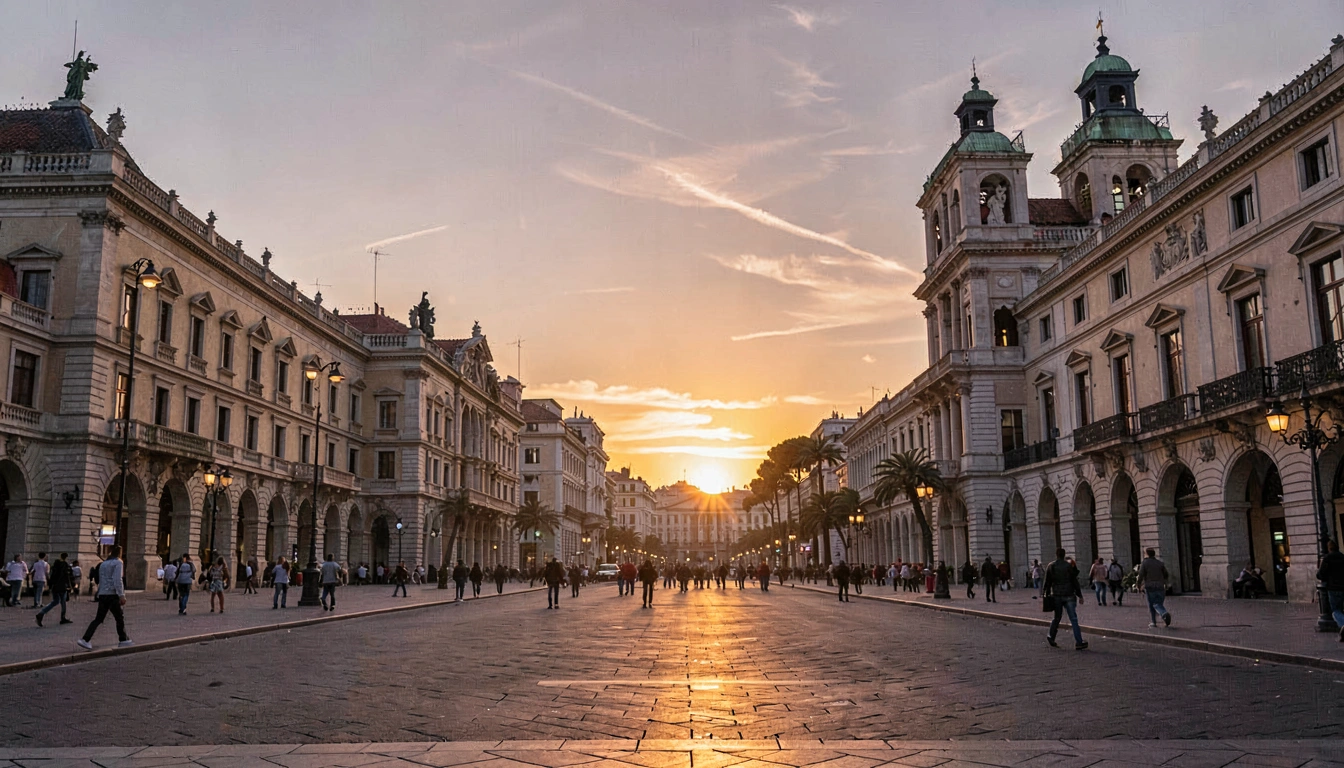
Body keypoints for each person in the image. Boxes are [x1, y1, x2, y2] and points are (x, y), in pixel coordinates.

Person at [77, 545, 132, 651]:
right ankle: (123, 639)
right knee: (119, 617)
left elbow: (101, 579)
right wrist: (122, 595)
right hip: (112, 594)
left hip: (103, 594)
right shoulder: (118, 562)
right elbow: (117, 580)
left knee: (99, 618)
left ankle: (85, 639)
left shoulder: (103, 563)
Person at [1042, 547, 1088, 650]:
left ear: (1056, 554)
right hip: (1069, 594)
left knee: (1057, 617)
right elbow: (1074, 581)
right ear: (1064, 554)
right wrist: (1080, 595)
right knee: (1073, 619)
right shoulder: (1068, 566)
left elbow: (1047, 582)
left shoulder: (1051, 566)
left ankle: (1051, 635)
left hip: (1057, 595)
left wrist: (1046, 593)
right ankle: (1079, 642)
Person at [1317, 539, 1344, 642]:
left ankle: (1343, 624)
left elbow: (1320, 574)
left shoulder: (1327, 558)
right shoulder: (1342, 557)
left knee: (1335, 610)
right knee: (1341, 608)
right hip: (1343, 587)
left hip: (1333, 587)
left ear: (1329, 548)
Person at [36, 552, 74, 626]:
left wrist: (51, 585)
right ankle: (63, 618)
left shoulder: (55, 565)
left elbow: (52, 576)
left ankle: (41, 613)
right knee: (63, 602)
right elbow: (66, 576)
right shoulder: (65, 565)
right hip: (62, 586)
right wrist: (70, 586)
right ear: (66, 557)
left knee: (55, 601)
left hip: (55, 586)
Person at [1137, 548, 1172, 628]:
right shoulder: (1160, 563)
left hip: (1150, 586)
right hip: (1160, 586)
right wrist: (1165, 583)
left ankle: (1155, 620)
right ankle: (1164, 614)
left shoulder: (1145, 563)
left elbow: (1141, 575)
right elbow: (1166, 574)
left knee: (1152, 604)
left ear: (1147, 554)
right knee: (1158, 603)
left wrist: (1138, 585)